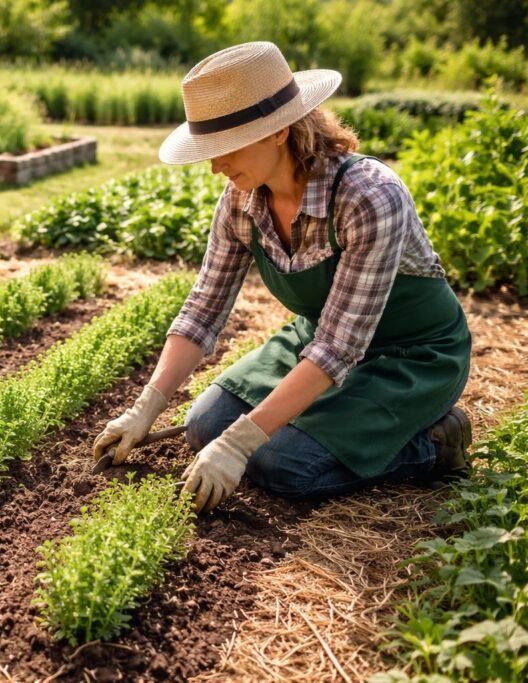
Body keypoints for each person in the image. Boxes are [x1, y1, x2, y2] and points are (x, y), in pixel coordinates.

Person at [92, 41, 473, 513]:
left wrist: (240, 445)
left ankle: (435, 443)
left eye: (225, 148)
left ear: (279, 132)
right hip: (319, 340)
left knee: (284, 465)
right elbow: (203, 310)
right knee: (202, 427)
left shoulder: (368, 197)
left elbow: (340, 348)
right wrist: (146, 406)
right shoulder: (241, 202)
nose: (214, 166)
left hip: (410, 355)